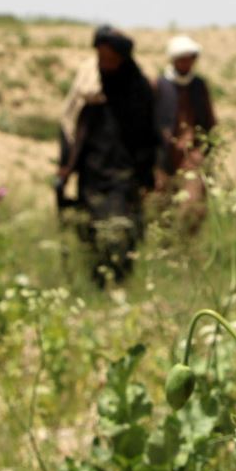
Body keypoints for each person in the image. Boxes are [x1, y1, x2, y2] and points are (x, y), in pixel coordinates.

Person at [57, 26, 159, 285]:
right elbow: (72, 127)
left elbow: (149, 135)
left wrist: (146, 175)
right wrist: (66, 166)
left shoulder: (138, 88)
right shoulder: (90, 88)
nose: (105, 63)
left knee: (121, 232)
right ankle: (98, 283)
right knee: (91, 231)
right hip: (92, 172)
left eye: (110, 57)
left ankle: (120, 284)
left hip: (124, 175)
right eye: (101, 57)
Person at [152, 35, 217, 232]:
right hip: (164, 157)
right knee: (161, 207)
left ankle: (186, 250)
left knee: (192, 208)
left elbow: (209, 121)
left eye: (190, 58)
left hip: (192, 158)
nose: (187, 63)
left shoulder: (198, 86)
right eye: (183, 58)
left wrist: (205, 149)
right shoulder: (160, 86)